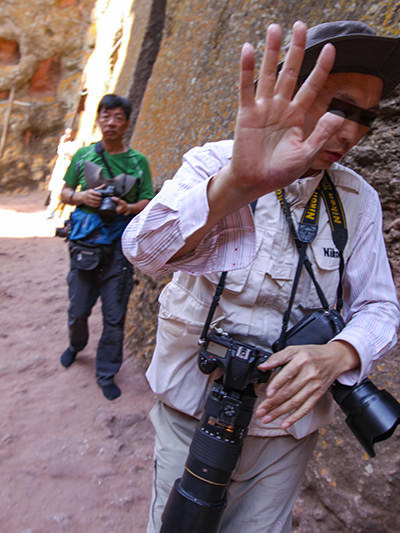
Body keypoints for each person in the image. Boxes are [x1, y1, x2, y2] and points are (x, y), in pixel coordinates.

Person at [122, 21, 400, 531]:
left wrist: (338, 354)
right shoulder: (214, 163)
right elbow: (144, 251)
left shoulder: (358, 201)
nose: (353, 131)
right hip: (191, 412)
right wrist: (237, 184)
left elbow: (380, 307)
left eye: (367, 117)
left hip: (283, 433)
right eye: (339, 107)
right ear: (287, 94)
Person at [60, 94, 154, 401]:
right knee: (77, 310)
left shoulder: (138, 162)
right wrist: (80, 197)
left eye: (117, 117)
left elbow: (148, 201)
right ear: (98, 119)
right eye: (105, 116)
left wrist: (127, 208)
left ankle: (106, 372)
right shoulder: (85, 155)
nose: (110, 122)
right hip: (86, 246)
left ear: (127, 122)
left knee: (114, 318)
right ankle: (76, 345)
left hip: (118, 251)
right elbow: (64, 190)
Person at [46, 127, 78, 218]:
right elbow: (60, 152)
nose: (68, 136)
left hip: (67, 169)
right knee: (55, 189)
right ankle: (51, 209)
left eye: (70, 134)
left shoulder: (76, 144)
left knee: (62, 189)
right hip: (59, 169)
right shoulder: (63, 143)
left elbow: (72, 154)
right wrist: (61, 143)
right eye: (66, 134)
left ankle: (58, 210)